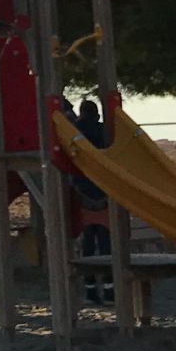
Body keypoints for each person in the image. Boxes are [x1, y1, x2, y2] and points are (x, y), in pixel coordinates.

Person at [71, 98, 113, 303]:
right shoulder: (104, 130)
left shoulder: (75, 130)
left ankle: (89, 289)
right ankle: (109, 288)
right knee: (105, 240)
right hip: (103, 188)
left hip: (83, 190)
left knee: (88, 240)